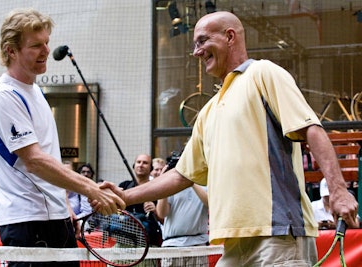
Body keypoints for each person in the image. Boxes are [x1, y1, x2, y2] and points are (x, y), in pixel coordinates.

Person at [99, 11, 359, 266]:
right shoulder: (208, 111)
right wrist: (124, 196)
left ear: (230, 37)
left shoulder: (263, 73)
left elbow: (312, 129)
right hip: (231, 245)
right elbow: (181, 175)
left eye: (202, 41)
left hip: (279, 237)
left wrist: (339, 190)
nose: (196, 52)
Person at [0, 8, 124, 267]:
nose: (46, 50)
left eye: (47, 42)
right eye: (36, 45)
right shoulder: (4, 96)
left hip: (55, 220)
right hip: (27, 225)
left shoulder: (34, 90)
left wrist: (65, 207)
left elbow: (48, 159)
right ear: (10, 50)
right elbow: (34, 161)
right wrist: (90, 187)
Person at [156, 183, 209, 267]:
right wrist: (164, 187)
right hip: (172, 246)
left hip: (198, 246)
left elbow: (210, 203)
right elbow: (162, 213)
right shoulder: (171, 185)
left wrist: (191, 182)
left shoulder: (206, 183)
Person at [118, 154, 162, 248]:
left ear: (151, 168)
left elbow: (163, 220)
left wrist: (155, 211)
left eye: (145, 163)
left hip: (148, 241)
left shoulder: (158, 189)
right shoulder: (124, 186)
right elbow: (114, 209)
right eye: (138, 162)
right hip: (124, 240)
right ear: (134, 166)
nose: (141, 165)